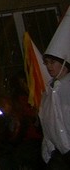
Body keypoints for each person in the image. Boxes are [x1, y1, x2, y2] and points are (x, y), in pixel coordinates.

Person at [41, 13, 70, 169]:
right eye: (46, 63)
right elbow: (47, 125)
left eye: (53, 62)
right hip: (61, 157)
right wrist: (50, 151)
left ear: (64, 62)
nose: (49, 66)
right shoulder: (47, 93)